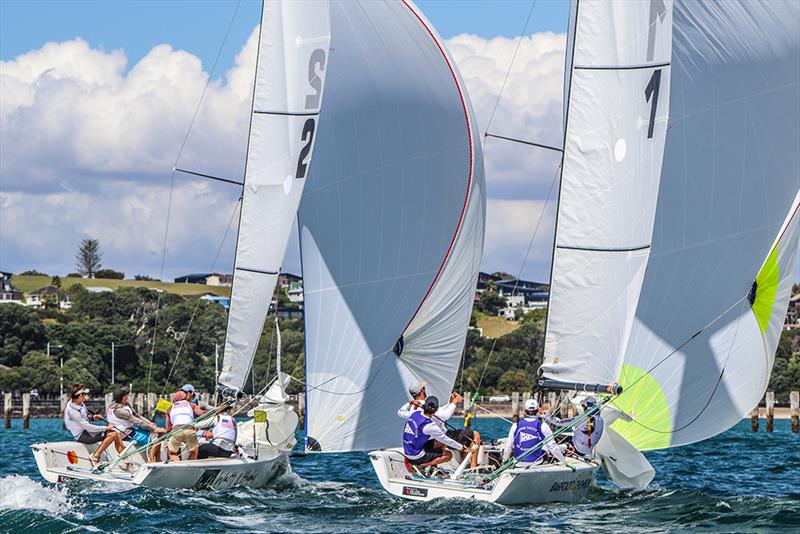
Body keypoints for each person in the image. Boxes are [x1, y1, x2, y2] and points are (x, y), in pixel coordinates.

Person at [397, 383, 481, 466]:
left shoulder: (415, 411)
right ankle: (473, 466)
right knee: (474, 435)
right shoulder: (429, 423)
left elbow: (400, 412)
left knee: (445, 439)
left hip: (423, 442)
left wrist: (410, 402)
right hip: (432, 440)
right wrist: (455, 402)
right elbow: (445, 416)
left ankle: (434, 467)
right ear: (422, 390)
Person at [403, 396, 473, 470]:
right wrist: (462, 447)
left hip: (407, 453)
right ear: (436, 410)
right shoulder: (430, 426)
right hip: (417, 457)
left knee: (431, 443)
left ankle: (419, 464)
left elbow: (400, 412)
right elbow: (446, 440)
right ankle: (422, 465)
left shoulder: (414, 414)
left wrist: (409, 403)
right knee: (448, 455)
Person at [63, 384, 124, 464]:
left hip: (86, 431)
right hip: (82, 435)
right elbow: (89, 427)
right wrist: (107, 428)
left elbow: (84, 417)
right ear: (80, 395)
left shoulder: (79, 403)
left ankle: (124, 458)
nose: (85, 396)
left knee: (115, 433)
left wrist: (92, 417)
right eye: (84, 394)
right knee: (113, 434)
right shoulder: (72, 412)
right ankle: (95, 456)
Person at [106, 387, 166, 462]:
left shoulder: (121, 405)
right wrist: (154, 429)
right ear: (124, 397)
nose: (128, 396)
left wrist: (149, 423)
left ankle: (158, 459)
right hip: (125, 434)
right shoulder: (120, 411)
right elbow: (138, 422)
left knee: (155, 432)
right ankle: (150, 460)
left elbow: (137, 415)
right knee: (157, 436)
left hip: (130, 430)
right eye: (126, 394)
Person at [503, 398, 566, 465]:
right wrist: (564, 462)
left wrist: (504, 460)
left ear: (524, 411)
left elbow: (508, 447)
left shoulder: (515, 425)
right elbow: (553, 448)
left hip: (518, 463)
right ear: (537, 411)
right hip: (536, 463)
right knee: (545, 448)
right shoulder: (543, 426)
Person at [165, 384, 207, 461]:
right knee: (194, 451)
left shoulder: (169, 408)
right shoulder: (191, 405)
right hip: (190, 430)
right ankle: (189, 466)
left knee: (172, 453)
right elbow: (201, 413)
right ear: (188, 394)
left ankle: (177, 465)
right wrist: (214, 411)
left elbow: (168, 429)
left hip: (177, 430)